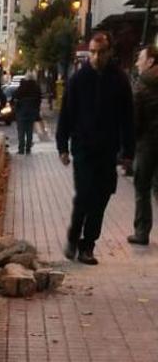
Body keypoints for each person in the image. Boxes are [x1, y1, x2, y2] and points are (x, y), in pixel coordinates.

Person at [57, 32, 135, 265]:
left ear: (109, 52)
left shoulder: (119, 80)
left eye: (101, 52)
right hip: (83, 148)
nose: (96, 56)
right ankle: (73, 237)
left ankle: (88, 245)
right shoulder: (79, 80)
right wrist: (62, 146)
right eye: (92, 52)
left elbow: (127, 118)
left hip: (107, 150)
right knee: (84, 195)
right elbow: (66, 115)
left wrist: (128, 152)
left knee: (101, 198)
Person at [127, 45, 158, 245]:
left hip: (147, 143)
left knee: (142, 186)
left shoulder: (142, 84)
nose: (137, 62)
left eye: (140, 59)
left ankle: (142, 231)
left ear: (150, 62)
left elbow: (134, 119)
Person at [12, 73, 41, 154]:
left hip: (21, 111)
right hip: (32, 111)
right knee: (29, 130)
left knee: (21, 131)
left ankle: (21, 149)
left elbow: (14, 96)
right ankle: (28, 148)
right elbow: (39, 100)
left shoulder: (22, 87)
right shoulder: (36, 87)